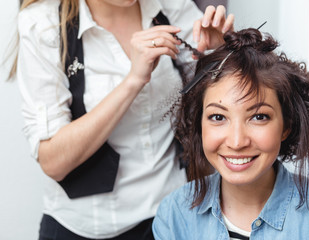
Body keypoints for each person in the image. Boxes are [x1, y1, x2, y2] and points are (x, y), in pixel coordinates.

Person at [14, 0, 234, 239]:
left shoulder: (170, 6)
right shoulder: (43, 25)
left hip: (172, 219)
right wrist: (133, 81)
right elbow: (53, 161)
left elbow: (214, 103)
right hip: (89, 229)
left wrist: (219, 55)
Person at [152, 28, 309, 239]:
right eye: (218, 117)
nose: (236, 141)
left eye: (259, 117)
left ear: (286, 126)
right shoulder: (174, 215)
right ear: (199, 124)